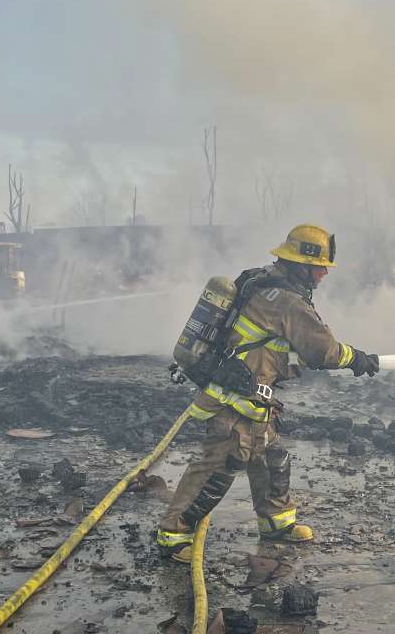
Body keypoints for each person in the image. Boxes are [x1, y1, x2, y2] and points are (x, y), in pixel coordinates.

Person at [157, 224, 380, 562]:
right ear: (301, 264)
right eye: (320, 267)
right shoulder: (288, 301)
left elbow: (274, 347)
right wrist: (358, 359)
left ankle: (276, 524)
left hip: (252, 398)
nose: (323, 275)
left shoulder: (260, 279)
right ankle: (173, 534)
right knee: (217, 468)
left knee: (270, 460)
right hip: (234, 401)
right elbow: (324, 351)